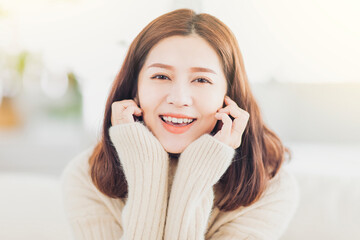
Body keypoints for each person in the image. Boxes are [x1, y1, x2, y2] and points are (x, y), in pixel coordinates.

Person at [61, 8, 299, 240]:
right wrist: (146, 166)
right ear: (135, 88)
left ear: (230, 96)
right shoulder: (85, 176)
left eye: (201, 80)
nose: (179, 98)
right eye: (161, 76)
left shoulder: (271, 188)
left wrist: (200, 172)